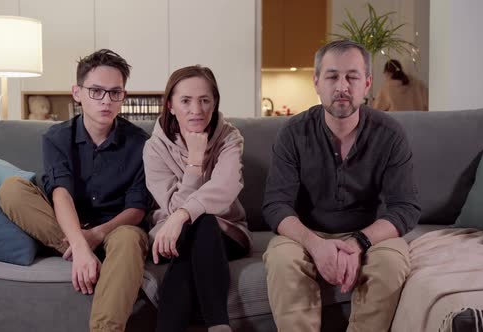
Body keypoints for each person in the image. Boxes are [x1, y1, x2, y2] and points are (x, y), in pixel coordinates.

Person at [262, 40, 421, 332]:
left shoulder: (390, 133)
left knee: (391, 265)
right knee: (282, 258)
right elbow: (275, 205)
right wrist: (315, 245)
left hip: (370, 234)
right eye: (332, 76)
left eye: (352, 76)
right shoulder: (293, 133)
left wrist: (358, 242)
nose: (342, 86)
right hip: (305, 233)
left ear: (367, 84)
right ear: (317, 83)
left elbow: (406, 208)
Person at [0, 49, 150, 332]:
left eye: (115, 93)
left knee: (130, 238)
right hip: (65, 226)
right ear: (77, 93)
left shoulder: (141, 143)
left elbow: (137, 208)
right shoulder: (56, 137)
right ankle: (75, 250)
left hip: (116, 231)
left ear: (123, 97)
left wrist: (96, 235)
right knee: (12, 189)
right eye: (96, 91)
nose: (106, 101)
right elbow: (60, 193)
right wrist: (80, 245)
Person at [143, 65, 251, 332]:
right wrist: (194, 161)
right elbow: (171, 205)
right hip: (171, 236)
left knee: (202, 222)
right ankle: (219, 325)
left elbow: (225, 188)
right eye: (186, 101)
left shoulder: (230, 138)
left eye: (205, 100)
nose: (197, 109)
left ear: (214, 103)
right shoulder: (154, 148)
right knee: (193, 234)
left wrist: (182, 215)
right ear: (170, 105)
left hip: (225, 232)